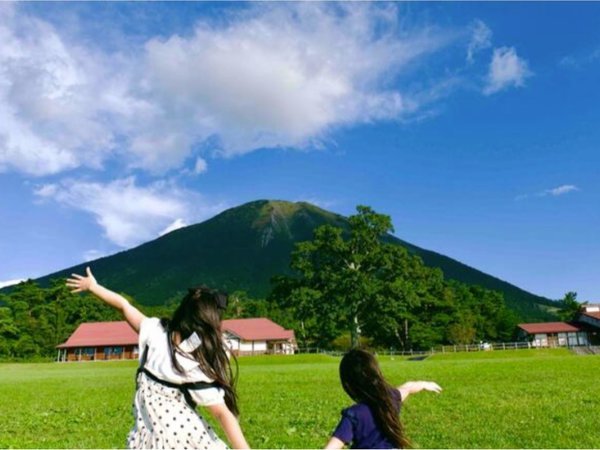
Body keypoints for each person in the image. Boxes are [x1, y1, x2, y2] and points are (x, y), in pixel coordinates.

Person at [67, 267, 249, 450]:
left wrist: (93, 287)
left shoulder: (154, 331)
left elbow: (124, 306)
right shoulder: (194, 360)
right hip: (184, 437)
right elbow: (222, 414)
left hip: (159, 439)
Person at [324, 349, 441, 449]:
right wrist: (425, 384)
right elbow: (408, 388)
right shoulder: (391, 399)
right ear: (377, 374)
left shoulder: (354, 415)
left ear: (348, 385)